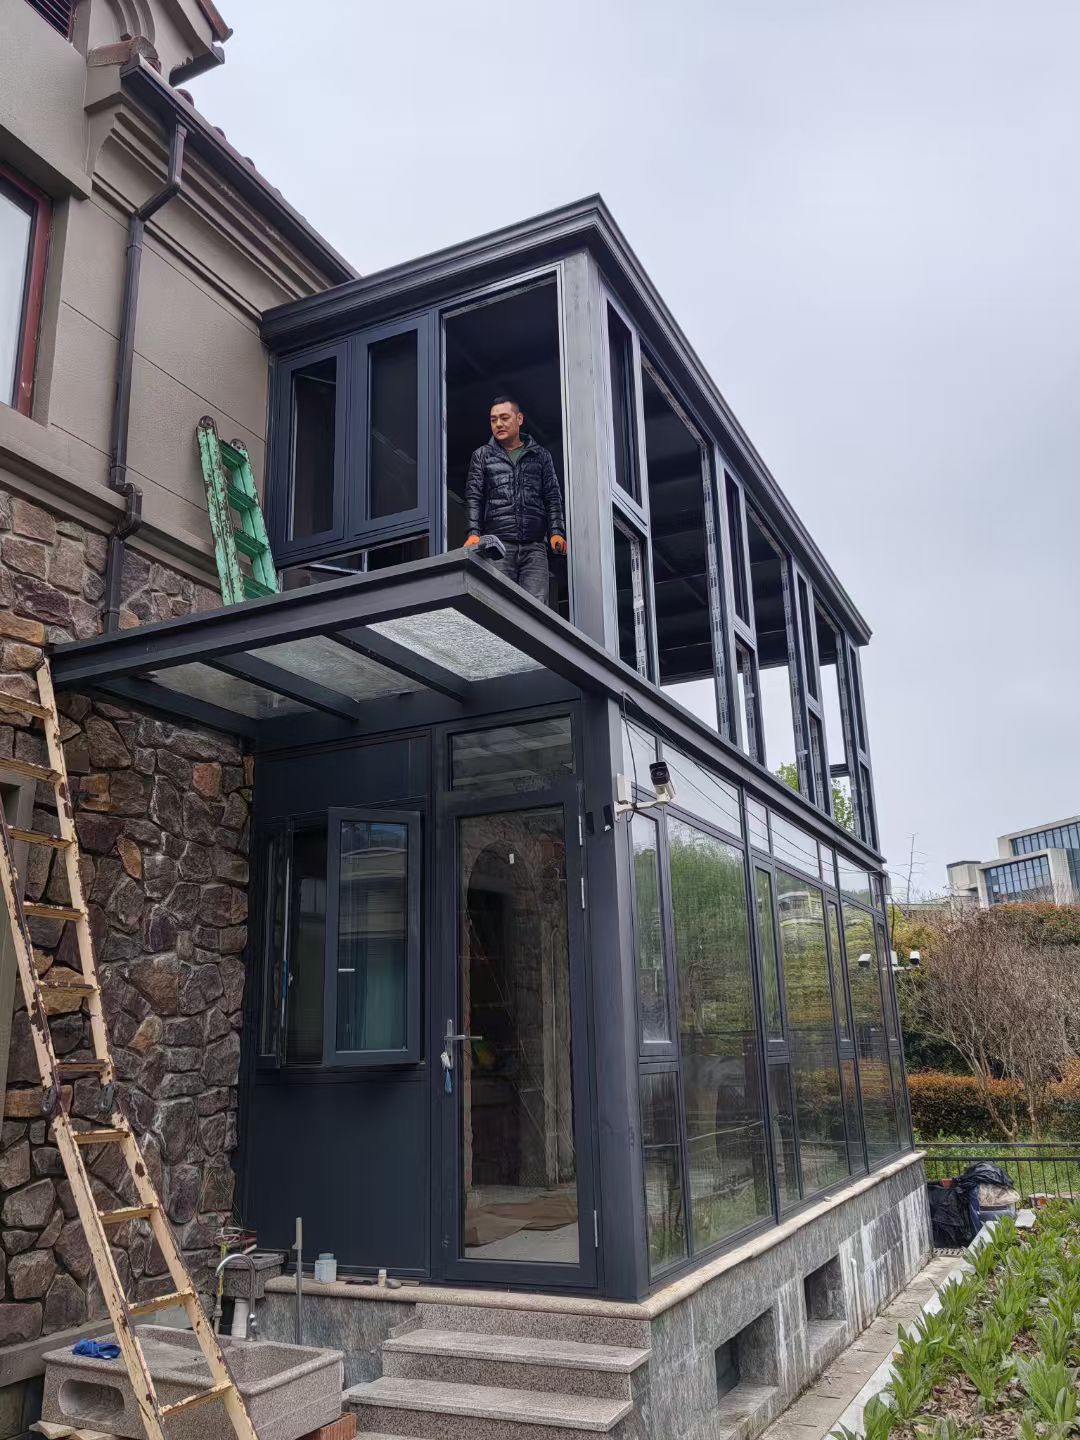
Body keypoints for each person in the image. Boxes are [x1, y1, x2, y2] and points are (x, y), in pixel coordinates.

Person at [464, 396, 567, 605]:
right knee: (498, 605)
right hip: (498, 546)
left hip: (535, 546)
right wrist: (473, 533)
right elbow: (474, 496)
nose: (498, 424)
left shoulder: (540, 456)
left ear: (519, 419)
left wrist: (556, 532)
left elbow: (552, 496)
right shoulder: (482, 455)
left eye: (504, 418)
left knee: (536, 609)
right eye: (493, 420)